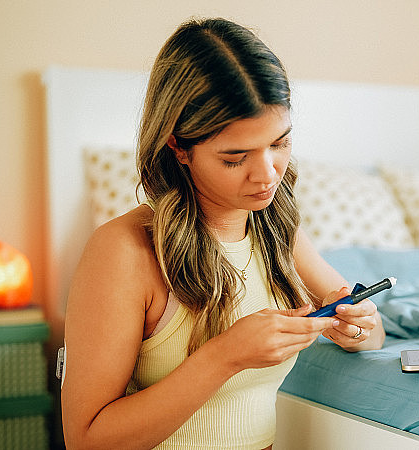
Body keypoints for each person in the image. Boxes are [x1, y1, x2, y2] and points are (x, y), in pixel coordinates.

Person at [61, 17, 385, 449]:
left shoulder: (275, 230)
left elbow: (370, 329)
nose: (267, 175)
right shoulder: (125, 251)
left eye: (279, 144)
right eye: (236, 158)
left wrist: (359, 326)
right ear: (179, 146)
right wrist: (224, 356)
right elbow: (86, 439)